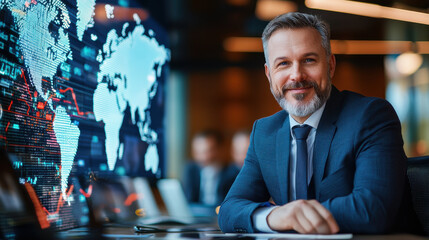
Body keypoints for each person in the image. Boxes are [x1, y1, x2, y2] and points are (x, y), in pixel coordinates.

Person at [218, 12, 418, 234]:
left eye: (309, 60)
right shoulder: (265, 132)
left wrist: (294, 216)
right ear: (269, 74)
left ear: (330, 65)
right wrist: (275, 216)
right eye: (283, 63)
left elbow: (373, 208)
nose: (297, 75)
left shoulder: (370, 116)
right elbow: (229, 211)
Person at [183, 130, 238, 208]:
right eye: (197, 152)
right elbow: (188, 200)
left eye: (206, 151)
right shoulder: (191, 169)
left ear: (219, 149)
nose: (201, 157)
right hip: (196, 214)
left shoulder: (233, 173)